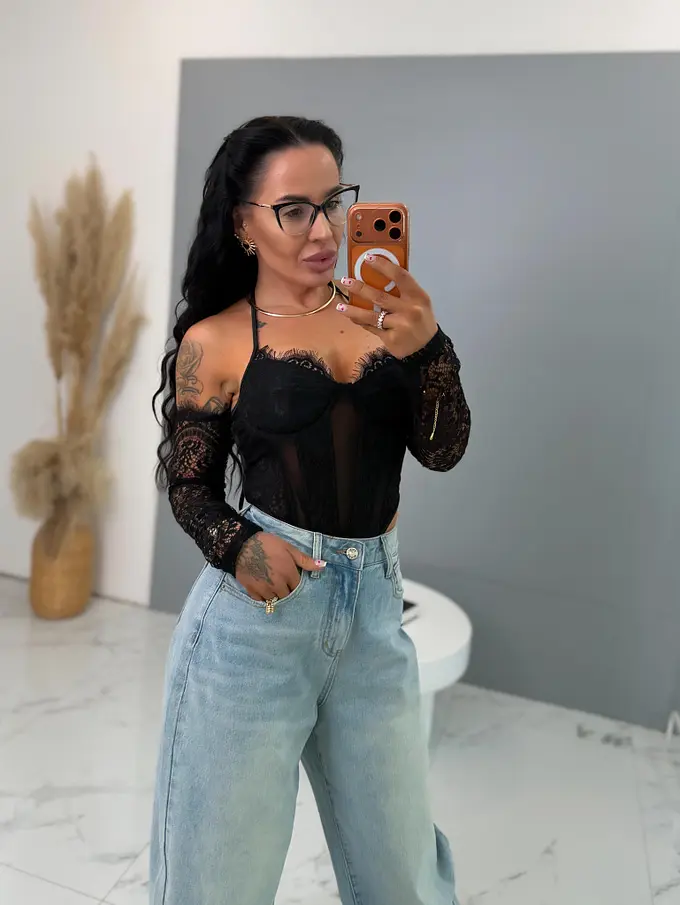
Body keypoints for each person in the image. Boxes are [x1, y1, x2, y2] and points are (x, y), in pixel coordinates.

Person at [151, 114, 470, 905]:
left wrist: (430, 349)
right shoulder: (217, 339)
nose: (323, 229)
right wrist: (238, 545)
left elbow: (442, 451)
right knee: (217, 881)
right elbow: (188, 485)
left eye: (333, 202)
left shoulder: (393, 324)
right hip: (254, 627)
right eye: (294, 209)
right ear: (244, 225)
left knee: (405, 880)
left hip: (374, 622)